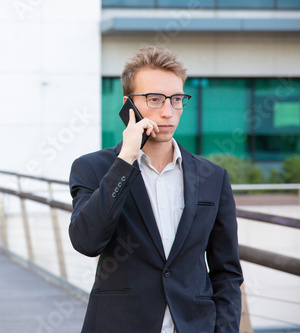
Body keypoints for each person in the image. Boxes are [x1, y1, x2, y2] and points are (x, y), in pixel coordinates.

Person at [68, 46, 243, 333]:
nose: (168, 112)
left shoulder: (213, 177)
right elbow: (87, 241)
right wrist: (126, 160)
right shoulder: (94, 169)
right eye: (154, 99)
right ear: (128, 105)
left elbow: (227, 272)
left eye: (176, 99)